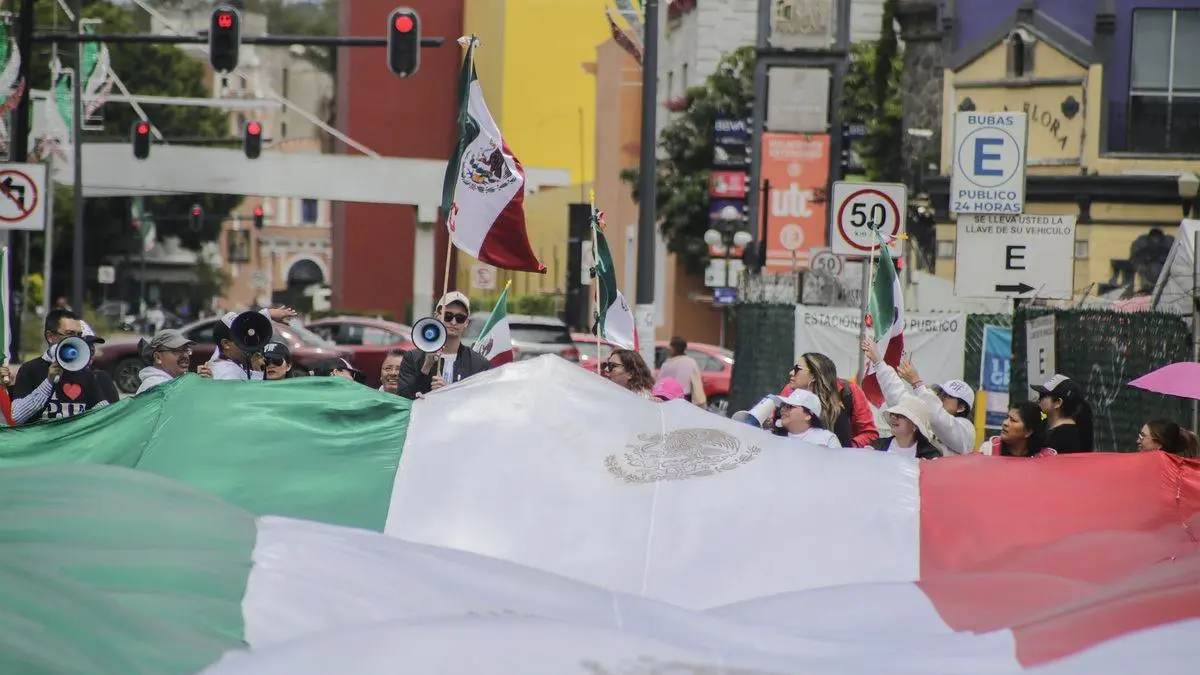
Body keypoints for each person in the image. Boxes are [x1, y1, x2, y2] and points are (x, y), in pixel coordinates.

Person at [861, 337, 976, 455]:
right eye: (940, 393)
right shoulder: (928, 415)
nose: (940, 398)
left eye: (947, 396)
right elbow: (900, 398)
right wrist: (879, 363)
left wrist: (917, 383)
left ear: (961, 407)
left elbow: (938, 418)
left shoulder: (966, 430)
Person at [8, 309, 120, 423]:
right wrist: (49, 382)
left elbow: (104, 413)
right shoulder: (30, 370)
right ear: (50, 336)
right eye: (70, 334)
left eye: (79, 335)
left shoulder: (85, 374)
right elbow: (16, 416)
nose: (76, 339)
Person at [396, 292, 491, 399]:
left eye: (460, 318)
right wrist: (425, 369)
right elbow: (403, 399)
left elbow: (479, 402)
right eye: (448, 316)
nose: (453, 322)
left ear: (466, 323)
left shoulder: (478, 364)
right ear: (437, 316)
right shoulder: (412, 358)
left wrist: (449, 390)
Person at [784, 352, 878, 448]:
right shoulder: (788, 390)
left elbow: (869, 433)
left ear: (814, 376)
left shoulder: (848, 391)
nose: (791, 372)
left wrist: (845, 448)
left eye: (797, 369)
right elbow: (776, 423)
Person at [206, 306, 297, 381]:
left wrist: (269, 313)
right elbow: (252, 397)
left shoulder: (224, 352)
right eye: (241, 338)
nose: (248, 342)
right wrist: (257, 372)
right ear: (226, 343)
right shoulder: (227, 375)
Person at [1033, 374, 1094, 453]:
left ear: (1058, 402)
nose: (1038, 400)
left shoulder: (1067, 436)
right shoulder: (1045, 427)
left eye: (1042, 395)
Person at [869, 394, 941, 460]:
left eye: (900, 415)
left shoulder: (930, 455)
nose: (893, 417)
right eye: (892, 413)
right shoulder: (876, 447)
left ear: (915, 425)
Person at [977, 401, 1056, 457]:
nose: (1005, 423)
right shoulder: (988, 451)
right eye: (1007, 418)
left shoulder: (1046, 458)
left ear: (1028, 432)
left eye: (1013, 420)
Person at [769, 389, 840, 448]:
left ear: (808, 415)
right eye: (783, 405)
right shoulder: (773, 437)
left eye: (789, 406)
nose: (782, 409)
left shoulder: (826, 439)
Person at [135, 329, 196, 394]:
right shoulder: (157, 386)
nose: (185, 355)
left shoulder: (173, 383)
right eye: (178, 350)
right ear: (158, 357)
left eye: (186, 350)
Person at [657, 337, 706, 406]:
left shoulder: (667, 364)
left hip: (668, 398)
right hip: (686, 398)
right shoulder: (691, 362)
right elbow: (696, 382)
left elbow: (659, 382)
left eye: (670, 346)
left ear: (674, 348)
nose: (668, 348)